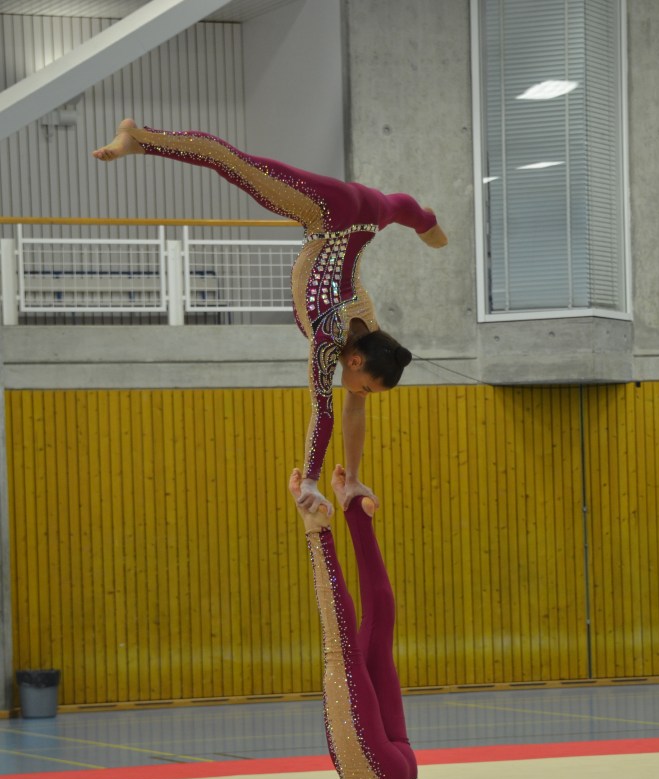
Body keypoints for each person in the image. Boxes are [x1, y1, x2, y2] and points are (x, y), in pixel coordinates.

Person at [92, 121, 448, 514]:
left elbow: (353, 409)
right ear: (355, 361)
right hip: (329, 212)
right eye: (366, 389)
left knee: (398, 207)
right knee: (235, 164)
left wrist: (353, 477)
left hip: (368, 214)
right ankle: (139, 137)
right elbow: (324, 411)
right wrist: (310, 481)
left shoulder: (373, 338)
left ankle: (424, 220)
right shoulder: (329, 338)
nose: (361, 397)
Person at [256, 466, 472, 779]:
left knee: (377, 630)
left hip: (396, 777)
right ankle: (317, 530)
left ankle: (356, 514)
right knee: (340, 647)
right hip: (368, 774)